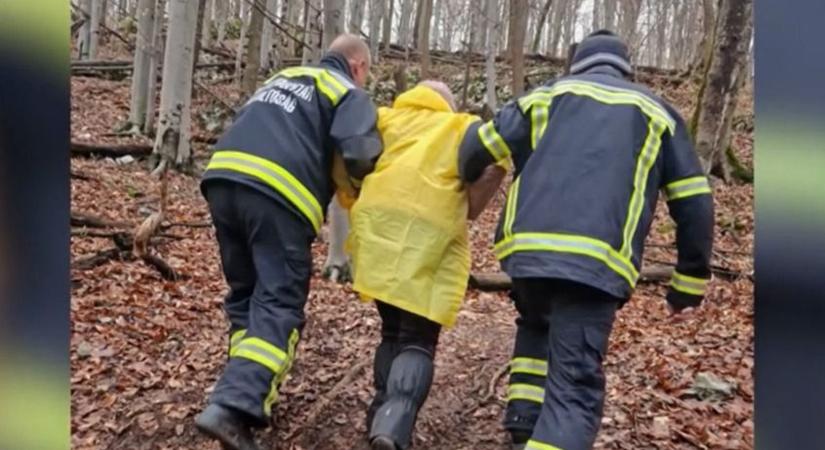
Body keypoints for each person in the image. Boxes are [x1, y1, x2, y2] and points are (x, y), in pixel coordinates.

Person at [457, 30, 714, 450]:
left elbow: (474, 150)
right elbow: (694, 202)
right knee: (574, 388)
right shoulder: (657, 112)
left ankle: (523, 426)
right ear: (626, 67)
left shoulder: (543, 97)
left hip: (528, 256)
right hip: (596, 263)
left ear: (575, 63)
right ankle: (540, 435)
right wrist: (688, 284)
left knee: (536, 328)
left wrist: (468, 172)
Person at [194, 34, 383, 450]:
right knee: (280, 301)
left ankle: (244, 398)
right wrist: (361, 190)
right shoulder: (347, 91)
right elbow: (359, 152)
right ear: (359, 67)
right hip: (278, 193)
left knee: (247, 296)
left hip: (223, 180)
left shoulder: (284, 77)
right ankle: (231, 406)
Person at [342, 81, 507, 450]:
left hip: (377, 225)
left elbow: (351, 155)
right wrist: (470, 207)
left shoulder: (385, 118)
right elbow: (497, 161)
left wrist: (356, 194)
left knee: (391, 331)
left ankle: (379, 412)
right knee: (417, 338)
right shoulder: (461, 126)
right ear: (446, 104)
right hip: (429, 230)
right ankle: (393, 425)